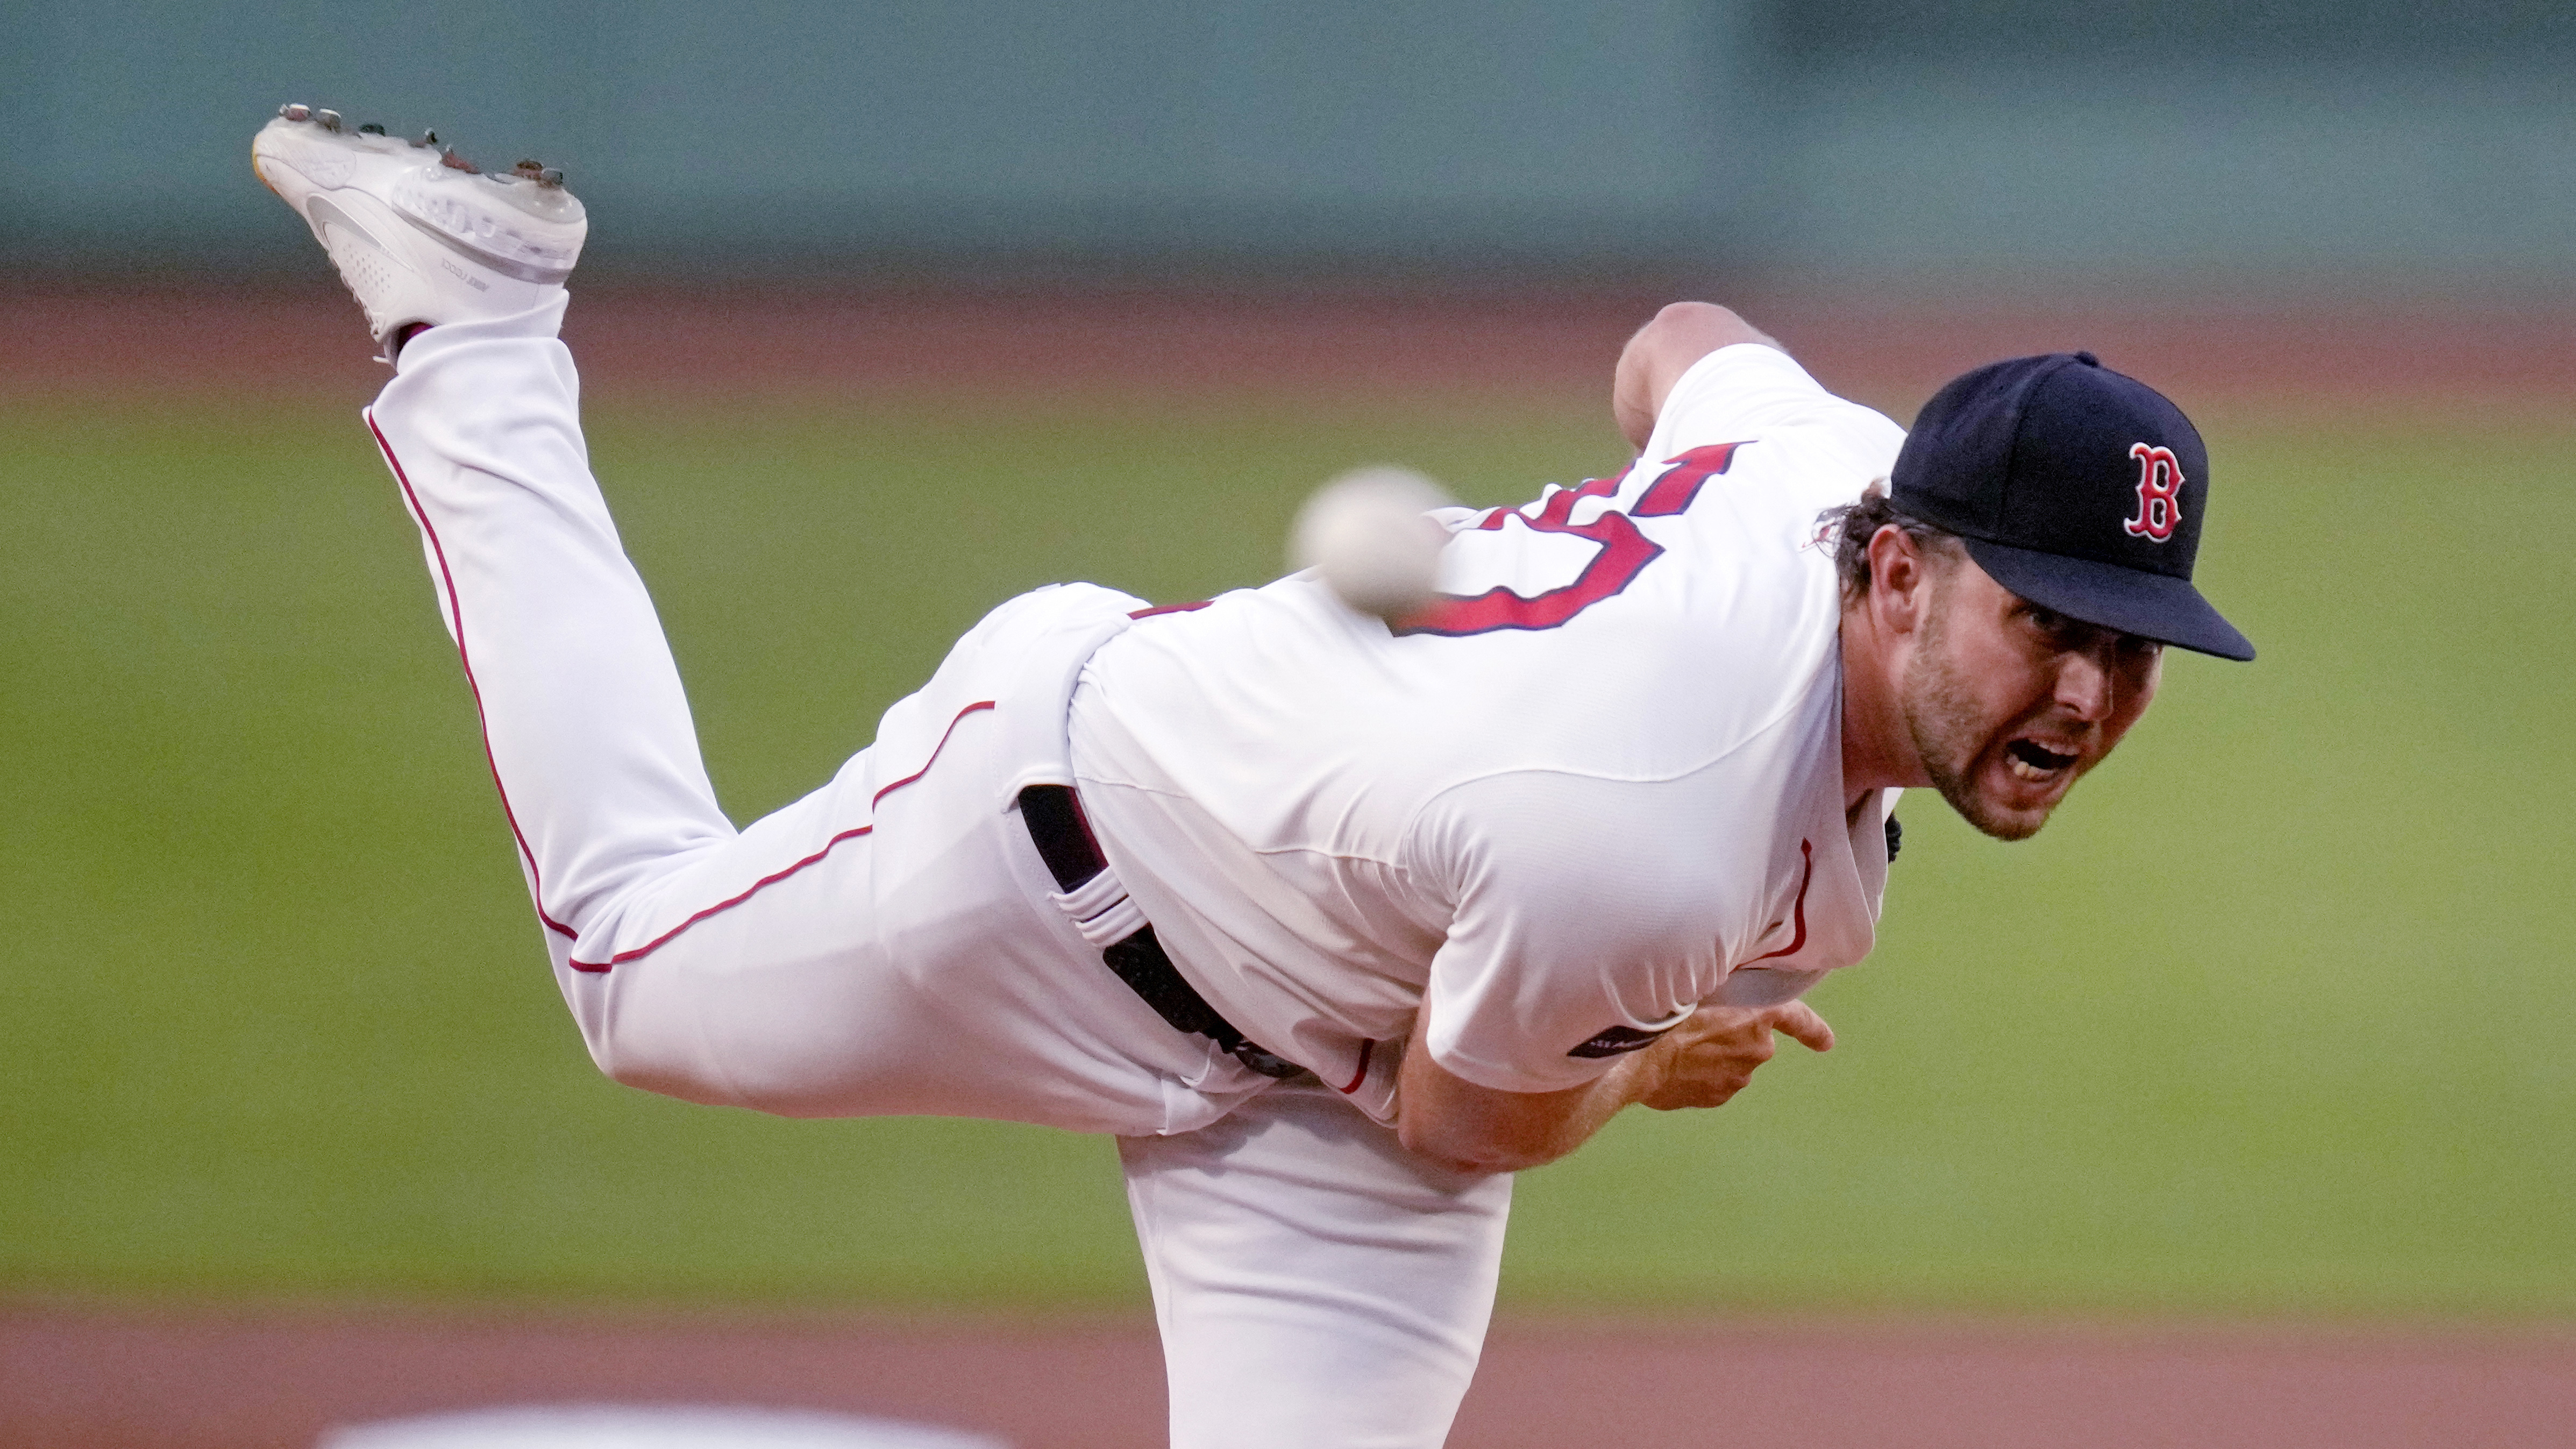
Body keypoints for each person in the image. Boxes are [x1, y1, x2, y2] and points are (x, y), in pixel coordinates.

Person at [251, 105, 2252, 1447]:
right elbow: (1472, 1127)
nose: (2086, 689)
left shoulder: (1837, 464)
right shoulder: (1648, 829)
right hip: (1063, 862)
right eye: (2046, 623)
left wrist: (1628, 535)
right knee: (629, 972)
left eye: (2127, 641)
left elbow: (1685, 340)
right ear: (1897, 570)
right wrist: (1642, 1058)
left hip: (1351, 1043)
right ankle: (483, 325)